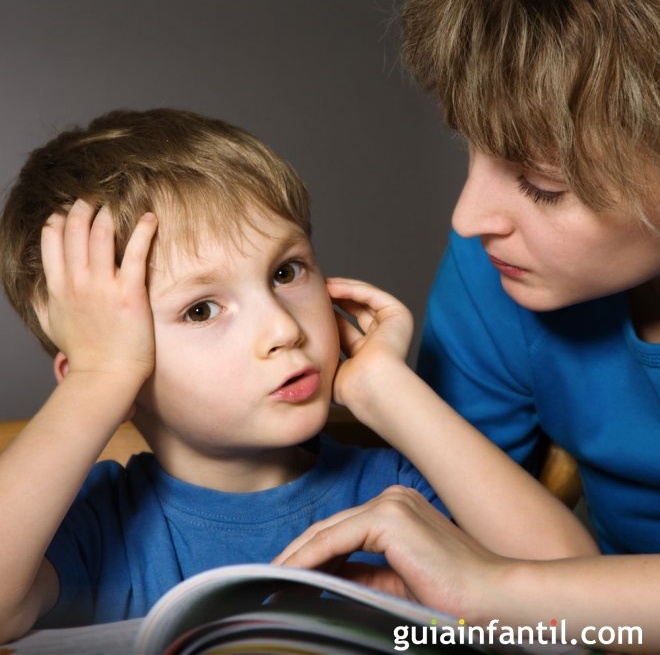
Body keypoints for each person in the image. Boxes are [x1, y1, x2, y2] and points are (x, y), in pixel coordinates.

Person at [0, 108, 595, 642]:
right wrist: (100, 377)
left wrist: (384, 388)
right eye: (201, 309)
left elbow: (581, 599)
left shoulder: (398, 493)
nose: (282, 328)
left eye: (286, 272)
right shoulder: (97, 526)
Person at [275, 0, 660, 650]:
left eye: (542, 184)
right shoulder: (497, 275)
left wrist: (497, 594)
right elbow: (462, 527)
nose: (467, 218)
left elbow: (499, 583)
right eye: (471, 150)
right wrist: (381, 391)